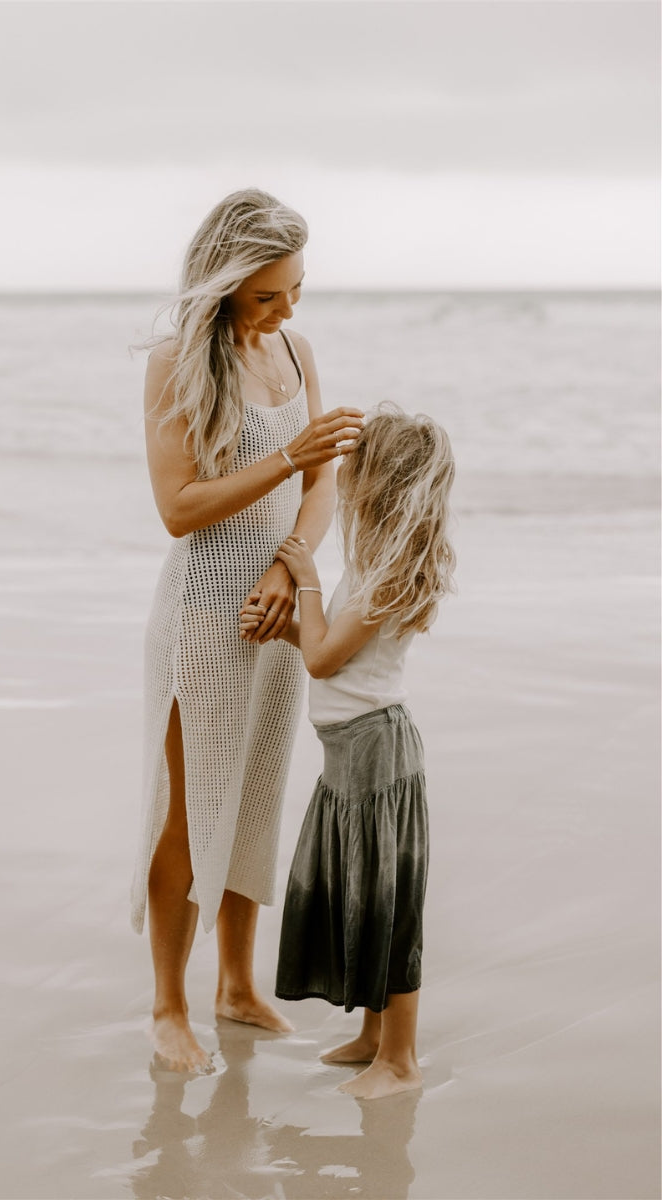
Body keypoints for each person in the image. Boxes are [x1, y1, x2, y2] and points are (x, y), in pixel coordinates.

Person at [131, 188, 364, 1072]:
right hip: (199, 611)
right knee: (190, 817)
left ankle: (236, 985)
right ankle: (166, 1005)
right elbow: (178, 510)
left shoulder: (297, 350)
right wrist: (289, 457)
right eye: (267, 296)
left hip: (277, 608)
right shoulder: (178, 364)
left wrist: (289, 565)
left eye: (295, 289)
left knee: (259, 798)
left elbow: (322, 486)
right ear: (225, 285)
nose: (285, 310)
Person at [241, 404, 456, 1099]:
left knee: (388, 908)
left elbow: (326, 660)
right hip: (352, 756)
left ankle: (401, 1061)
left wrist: (302, 576)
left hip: (375, 758)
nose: (346, 487)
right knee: (364, 898)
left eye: (354, 474)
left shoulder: (386, 576)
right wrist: (286, 631)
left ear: (381, 485)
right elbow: (331, 648)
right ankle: (372, 1037)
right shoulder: (374, 566)